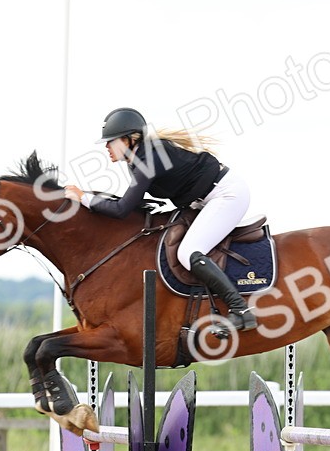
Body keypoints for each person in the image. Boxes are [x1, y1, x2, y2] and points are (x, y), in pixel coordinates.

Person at [63, 107, 258, 333]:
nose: (106, 147)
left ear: (128, 139)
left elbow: (122, 209)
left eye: (111, 141)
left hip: (226, 195)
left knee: (189, 252)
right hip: (205, 200)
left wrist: (84, 197)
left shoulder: (149, 157)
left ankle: (240, 310)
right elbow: (132, 203)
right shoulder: (139, 158)